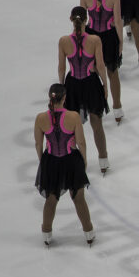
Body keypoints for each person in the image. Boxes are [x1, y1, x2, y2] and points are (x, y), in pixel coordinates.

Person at [34, 83, 96, 247]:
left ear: (50, 97)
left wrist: (44, 162)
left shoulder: (40, 118)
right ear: (65, 98)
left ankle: (46, 233)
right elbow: (81, 142)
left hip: (51, 160)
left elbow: (38, 145)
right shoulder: (73, 116)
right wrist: (84, 160)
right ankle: (88, 232)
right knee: (79, 198)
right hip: (71, 160)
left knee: (51, 198)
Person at [59, 6, 110, 173]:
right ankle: (103, 160)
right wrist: (105, 85)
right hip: (90, 83)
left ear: (71, 19)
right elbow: (101, 66)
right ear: (86, 20)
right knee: (97, 123)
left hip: (72, 84)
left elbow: (61, 68)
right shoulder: (95, 40)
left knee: (72, 126)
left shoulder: (64, 41)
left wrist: (62, 89)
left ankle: (76, 163)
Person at [80, 0, 124, 123]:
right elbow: (118, 22)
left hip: (91, 36)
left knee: (93, 74)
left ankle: (95, 108)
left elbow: (82, 21)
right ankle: (117, 108)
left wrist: (82, 42)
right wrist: (121, 41)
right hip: (109, 37)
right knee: (113, 73)